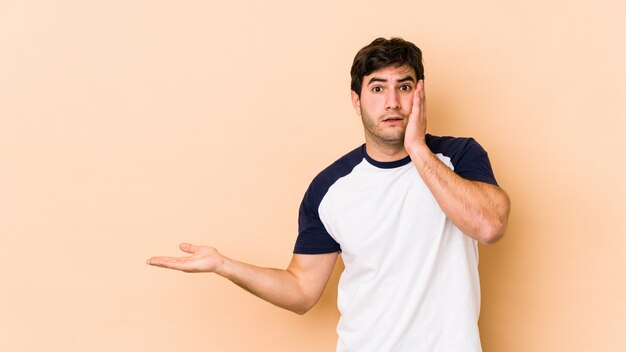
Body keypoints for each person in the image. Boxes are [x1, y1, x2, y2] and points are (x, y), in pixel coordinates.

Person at [147, 37, 511, 352]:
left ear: (420, 93)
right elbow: (301, 291)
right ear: (357, 100)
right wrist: (224, 265)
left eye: (404, 86)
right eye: (378, 88)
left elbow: (489, 225)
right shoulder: (330, 188)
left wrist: (416, 148)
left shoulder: (458, 157)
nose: (393, 102)